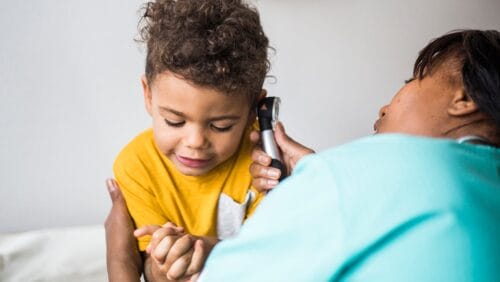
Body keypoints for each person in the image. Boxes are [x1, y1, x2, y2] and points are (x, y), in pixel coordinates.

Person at [105, 29, 500, 281]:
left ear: (463, 99)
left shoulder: (369, 168)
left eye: (411, 80)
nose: (383, 107)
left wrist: (120, 261)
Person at [108, 0, 271, 280]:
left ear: (254, 110)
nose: (195, 142)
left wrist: (210, 252)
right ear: (148, 95)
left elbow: (272, 259)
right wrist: (163, 264)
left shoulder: (263, 165)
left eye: (221, 126)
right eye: (175, 121)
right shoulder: (137, 166)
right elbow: (149, 269)